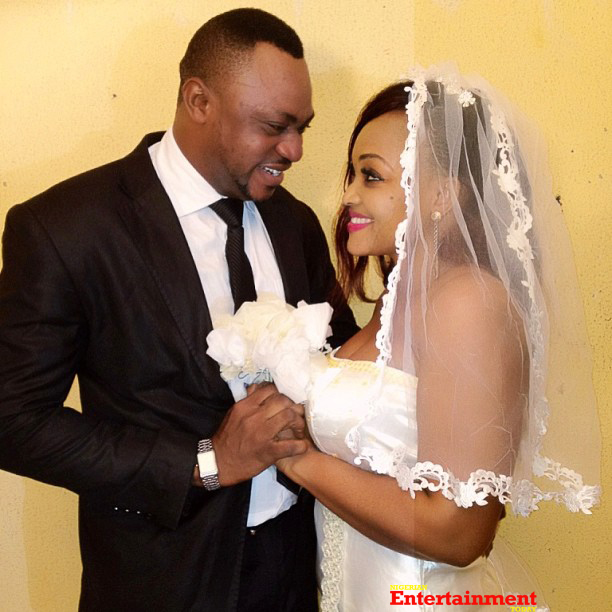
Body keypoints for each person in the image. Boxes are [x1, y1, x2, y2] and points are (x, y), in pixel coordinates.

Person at [0, 9, 357, 612]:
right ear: (199, 101)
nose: (294, 149)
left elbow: (343, 360)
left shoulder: (295, 222)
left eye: (302, 127)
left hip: (296, 570)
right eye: (274, 126)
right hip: (161, 580)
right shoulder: (67, 229)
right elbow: (13, 421)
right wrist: (206, 463)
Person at [276, 64, 601, 610]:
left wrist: (297, 459)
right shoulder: (395, 304)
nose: (348, 196)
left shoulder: (467, 302)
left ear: (443, 195)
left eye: (371, 176)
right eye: (351, 174)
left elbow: (458, 531)